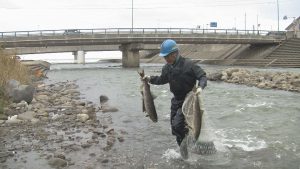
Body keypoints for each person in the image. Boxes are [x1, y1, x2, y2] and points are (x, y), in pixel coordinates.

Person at [143, 39, 207, 159]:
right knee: (175, 128)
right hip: (176, 100)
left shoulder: (189, 64)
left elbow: (202, 76)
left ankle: (190, 146)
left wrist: (200, 87)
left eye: (166, 56)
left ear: (174, 53)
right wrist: (149, 79)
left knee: (178, 125)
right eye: (164, 57)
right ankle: (185, 154)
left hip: (189, 99)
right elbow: (162, 79)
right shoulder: (167, 68)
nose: (165, 59)